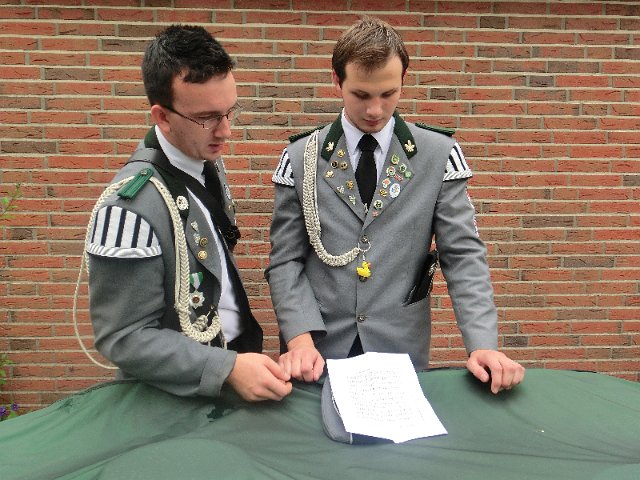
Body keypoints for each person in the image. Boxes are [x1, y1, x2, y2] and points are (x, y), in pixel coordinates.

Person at [266, 17, 524, 394]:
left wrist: (482, 344)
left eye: (388, 93)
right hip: (317, 353)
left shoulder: (439, 155)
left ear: (404, 79)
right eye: (361, 95)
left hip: (399, 350)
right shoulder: (301, 157)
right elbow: (286, 261)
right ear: (337, 81)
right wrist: (299, 339)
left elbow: (463, 255)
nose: (375, 109)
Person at [86, 25, 291, 402]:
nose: (226, 131)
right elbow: (124, 337)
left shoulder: (204, 161)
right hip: (178, 401)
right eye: (207, 117)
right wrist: (226, 368)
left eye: (230, 111)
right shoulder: (127, 208)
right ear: (162, 117)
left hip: (232, 370)